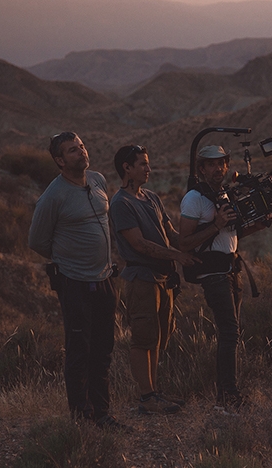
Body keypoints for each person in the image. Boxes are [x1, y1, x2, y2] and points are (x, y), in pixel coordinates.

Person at [28, 132, 127, 430]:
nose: (81, 152)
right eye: (73, 150)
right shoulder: (53, 196)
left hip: (105, 278)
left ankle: (102, 413)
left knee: (103, 349)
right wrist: (67, 259)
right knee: (79, 351)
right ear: (59, 161)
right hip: (74, 283)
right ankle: (81, 417)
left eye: (81, 146)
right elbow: (37, 241)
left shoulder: (97, 180)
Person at [178, 145, 269, 413]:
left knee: (232, 333)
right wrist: (216, 225)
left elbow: (231, 234)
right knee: (229, 332)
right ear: (202, 168)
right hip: (213, 273)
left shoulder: (224, 194)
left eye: (222, 163)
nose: (218, 168)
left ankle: (227, 394)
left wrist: (259, 224)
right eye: (212, 164)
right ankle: (227, 397)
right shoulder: (194, 199)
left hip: (231, 269)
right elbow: (184, 243)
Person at [109, 144, 199, 415]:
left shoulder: (151, 197)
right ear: (127, 168)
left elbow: (170, 233)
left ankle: (155, 393)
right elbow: (139, 245)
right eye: (143, 164)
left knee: (159, 337)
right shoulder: (120, 204)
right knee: (143, 338)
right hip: (142, 278)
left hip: (163, 278)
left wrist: (200, 240)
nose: (149, 169)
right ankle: (146, 397)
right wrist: (177, 256)